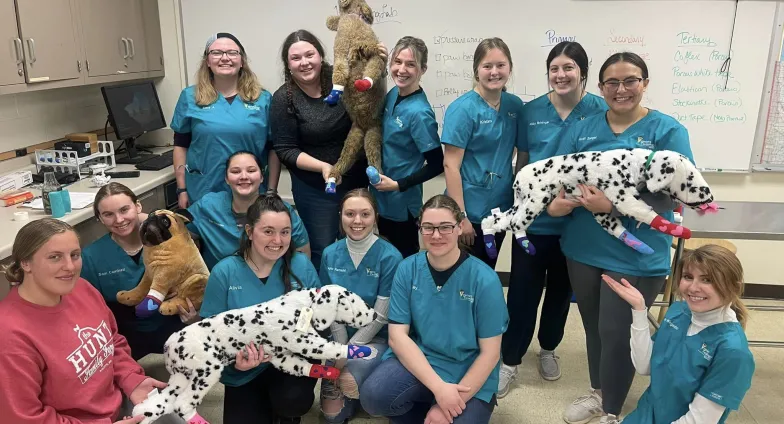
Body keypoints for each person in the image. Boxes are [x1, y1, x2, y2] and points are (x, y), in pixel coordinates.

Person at [548, 52, 695, 424]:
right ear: (600, 88)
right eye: (612, 82)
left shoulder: (667, 131)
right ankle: (600, 392)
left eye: (631, 80)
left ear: (645, 83)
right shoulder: (583, 127)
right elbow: (562, 174)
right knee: (595, 328)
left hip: (637, 255)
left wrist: (611, 204)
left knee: (619, 333)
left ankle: (611, 412)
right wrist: (558, 201)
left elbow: (679, 190)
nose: (621, 89)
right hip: (583, 247)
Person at [498, 41, 608, 396]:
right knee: (522, 293)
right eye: (555, 69)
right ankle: (510, 361)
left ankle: (549, 348)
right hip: (535, 221)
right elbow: (523, 162)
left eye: (568, 68)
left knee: (562, 291)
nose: (561, 75)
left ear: (583, 73)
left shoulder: (600, 110)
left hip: (578, 223)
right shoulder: (531, 112)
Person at [0, 218, 168, 424]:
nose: (70, 267)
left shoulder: (81, 288)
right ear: (25, 263)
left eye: (75, 255)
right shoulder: (9, 335)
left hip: (120, 405)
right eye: (55, 257)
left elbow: (112, 341)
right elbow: (23, 418)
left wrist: (130, 378)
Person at [360, 194, 509, 424]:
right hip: (422, 360)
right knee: (373, 396)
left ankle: (436, 411)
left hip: (466, 368)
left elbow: (490, 353)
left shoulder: (484, 280)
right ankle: (424, 410)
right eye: (428, 227)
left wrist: (445, 406)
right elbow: (397, 337)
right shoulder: (407, 269)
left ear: (460, 227)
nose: (436, 235)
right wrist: (439, 390)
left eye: (445, 227)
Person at [199, 194, 321, 424]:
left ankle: (286, 411)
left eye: (285, 232)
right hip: (243, 369)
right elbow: (210, 334)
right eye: (268, 231)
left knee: (291, 400)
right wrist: (236, 358)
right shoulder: (224, 272)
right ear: (249, 231)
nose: (277, 240)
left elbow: (320, 317)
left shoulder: (300, 265)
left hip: (290, 362)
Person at [270, 29, 386, 271]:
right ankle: (322, 301)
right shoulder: (284, 98)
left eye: (310, 54)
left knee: (357, 246)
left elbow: (371, 96)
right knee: (321, 250)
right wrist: (324, 167)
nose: (304, 63)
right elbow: (285, 149)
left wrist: (380, 62)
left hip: (354, 180)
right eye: (296, 58)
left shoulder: (341, 80)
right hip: (314, 188)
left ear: (321, 56)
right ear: (288, 65)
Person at [604, 244, 754, 423]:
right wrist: (639, 310)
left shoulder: (733, 352)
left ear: (734, 287)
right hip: (647, 413)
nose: (693, 288)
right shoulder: (679, 312)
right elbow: (645, 366)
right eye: (688, 277)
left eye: (707, 280)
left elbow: (699, 420)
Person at [319, 188, 403, 423]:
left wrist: (348, 351)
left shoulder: (390, 257)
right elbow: (328, 306)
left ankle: (358, 385)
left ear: (375, 216)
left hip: (375, 338)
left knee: (349, 377)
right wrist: (340, 346)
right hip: (338, 337)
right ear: (341, 215)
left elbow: (381, 316)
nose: (357, 221)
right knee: (331, 418)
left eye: (365, 214)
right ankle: (347, 390)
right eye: (350, 214)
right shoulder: (329, 254)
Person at [81, 182, 189, 361]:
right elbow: (89, 313)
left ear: (138, 206)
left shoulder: (168, 241)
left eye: (124, 210)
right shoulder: (91, 258)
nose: (119, 220)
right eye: (108, 214)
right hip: (126, 343)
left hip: (174, 330)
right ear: (99, 218)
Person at [442, 37, 524, 269]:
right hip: (469, 210)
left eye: (501, 65)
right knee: (462, 276)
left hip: (500, 208)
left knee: (487, 272)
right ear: (477, 70)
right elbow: (451, 166)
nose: (494, 72)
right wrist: (460, 216)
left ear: (509, 68)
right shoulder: (462, 109)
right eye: (487, 66)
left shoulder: (515, 106)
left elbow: (519, 151)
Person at [172, 32, 280, 208]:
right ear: (207, 61)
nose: (225, 58)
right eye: (216, 53)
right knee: (206, 233)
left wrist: (271, 191)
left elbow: (274, 149)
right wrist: (181, 189)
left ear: (242, 60)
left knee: (252, 232)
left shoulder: (263, 99)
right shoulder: (190, 97)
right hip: (204, 188)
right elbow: (180, 145)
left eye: (232, 52)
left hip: (251, 190)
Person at [370, 36, 444, 258]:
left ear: (423, 69)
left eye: (410, 64)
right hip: (379, 199)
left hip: (401, 206)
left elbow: (437, 164)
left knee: (403, 263)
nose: (401, 70)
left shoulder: (420, 113)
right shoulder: (393, 94)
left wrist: (399, 185)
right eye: (397, 61)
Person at [187, 151, 310, 270]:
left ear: (262, 177)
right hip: (222, 286)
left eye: (251, 171)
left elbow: (303, 255)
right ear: (226, 179)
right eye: (235, 171)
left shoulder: (280, 210)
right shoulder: (208, 207)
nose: (244, 177)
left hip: (274, 283)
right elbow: (176, 232)